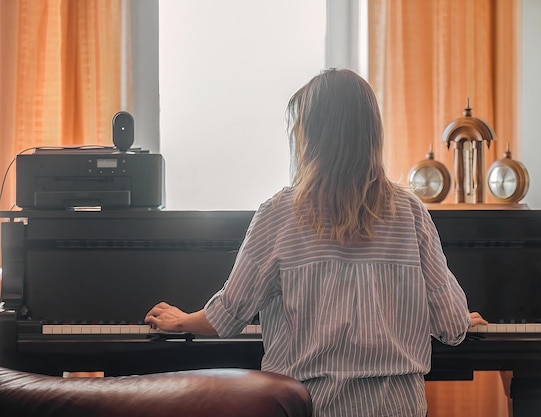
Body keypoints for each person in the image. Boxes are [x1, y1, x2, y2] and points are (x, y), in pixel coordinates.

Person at [145, 68, 487, 417]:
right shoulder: (410, 211)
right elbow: (450, 326)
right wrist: (459, 319)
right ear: (371, 133)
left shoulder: (278, 213)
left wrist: (184, 320)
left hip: (308, 406)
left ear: (309, 136)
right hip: (396, 407)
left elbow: (229, 315)